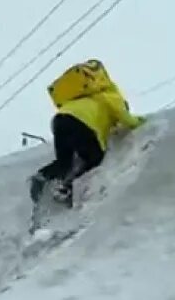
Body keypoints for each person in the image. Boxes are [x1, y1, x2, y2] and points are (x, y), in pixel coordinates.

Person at [29, 59, 145, 206]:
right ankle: (66, 188)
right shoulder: (111, 96)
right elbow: (128, 120)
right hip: (80, 122)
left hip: (60, 120)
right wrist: (144, 121)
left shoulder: (89, 98)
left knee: (65, 162)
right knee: (94, 157)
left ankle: (43, 177)